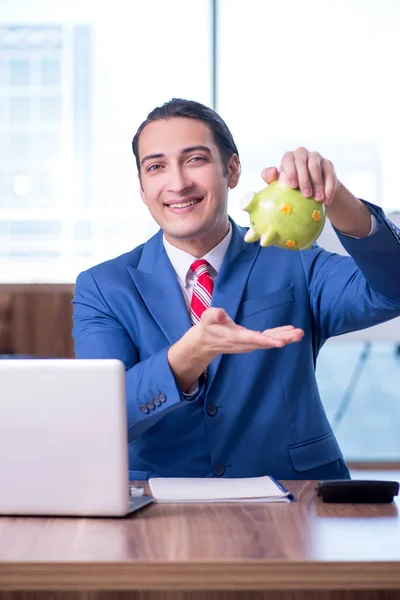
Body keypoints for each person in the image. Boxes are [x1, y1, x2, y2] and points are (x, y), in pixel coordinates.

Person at [72, 98, 400, 481]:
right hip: (157, 504)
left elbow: (391, 290)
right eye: (157, 167)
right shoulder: (103, 286)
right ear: (143, 188)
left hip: (295, 498)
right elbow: (104, 415)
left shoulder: (295, 261)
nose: (178, 183)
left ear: (232, 169)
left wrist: (337, 198)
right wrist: (191, 353)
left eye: (195, 159)